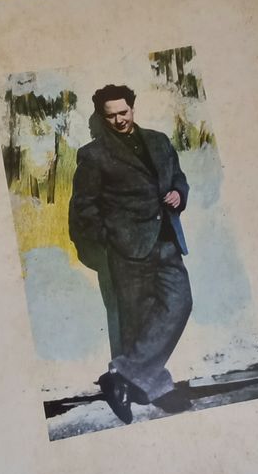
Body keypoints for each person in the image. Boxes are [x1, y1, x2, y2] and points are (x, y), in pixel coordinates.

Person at [69, 84, 193, 424]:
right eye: (110, 116)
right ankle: (154, 389)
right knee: (137, 320)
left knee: (180, 303)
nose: (119, 120)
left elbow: (178, 178)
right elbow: (83, 207)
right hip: (128, 250)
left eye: (123, 112)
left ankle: (119, 376)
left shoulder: (159, 141)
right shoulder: (93, 155)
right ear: (102, 117)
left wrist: (178, 194)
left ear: (133, 108)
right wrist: (111, 241)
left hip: (166, 241)